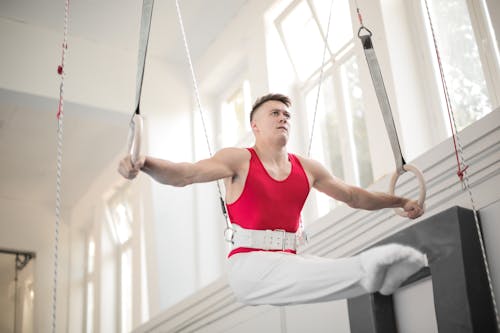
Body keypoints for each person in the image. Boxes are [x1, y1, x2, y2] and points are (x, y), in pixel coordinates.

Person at [118, 93, 427, 305]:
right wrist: (143, 163)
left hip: (289, 263)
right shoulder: (238, 160)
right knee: (317, 270)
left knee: (319, 269)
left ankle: (376, 278)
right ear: (255, 125)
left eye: (287, 114)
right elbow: (184, 174)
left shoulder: (308, 168)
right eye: (275, 113)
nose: (283, 118)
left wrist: (399, 202)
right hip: (249, 268)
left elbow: (354, 196)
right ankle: (367, 268)